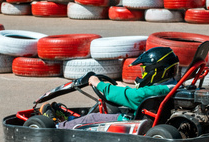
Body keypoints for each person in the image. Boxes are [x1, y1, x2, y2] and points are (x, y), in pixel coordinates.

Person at [39, 46, 180, 129]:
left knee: (93, 118)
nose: (143, 74)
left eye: (144, 70)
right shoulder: (171, 86)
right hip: (147, 115)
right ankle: (70, 119)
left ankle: (57, 127)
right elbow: (137, 93)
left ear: (156, 70)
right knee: (106, 105)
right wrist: (119, 85)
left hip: (132, 121)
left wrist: (97, 83)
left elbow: (133, 96)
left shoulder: (155, 91)